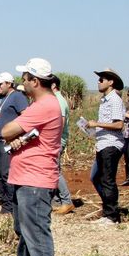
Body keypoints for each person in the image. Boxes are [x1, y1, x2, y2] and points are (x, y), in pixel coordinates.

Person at [0, 57, 63, 256]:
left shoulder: (43, 106)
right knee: (25, 231)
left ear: (35, 81)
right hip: (26, 176)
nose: (22, 83)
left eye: (25, 78)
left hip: (35, 179)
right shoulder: (38, 105)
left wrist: (13, 134)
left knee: (36, 233)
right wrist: (16, 137)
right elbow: (11, 135)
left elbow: (5, 130)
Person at [86, 68, 125, 225]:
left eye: (102, 79)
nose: (99, 81)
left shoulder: (115, 100)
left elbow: (119, 124)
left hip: (111, 144)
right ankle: (109, 210)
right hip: (103, 144)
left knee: (107, 180)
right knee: (97, 177)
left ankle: (112, 216)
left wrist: (97, 124)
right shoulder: (105, 100)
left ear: (111, 82)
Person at [0, 72, 28, 215]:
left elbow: (26, 116)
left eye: (1, 84)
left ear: (9, 84)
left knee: (7, 174)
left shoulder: (17, 97)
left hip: (7, 142)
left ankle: (10, 206)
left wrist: (18, 136)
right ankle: (1, 200)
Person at [49, 76, 74, 214]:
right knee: (52, 170)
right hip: (55, 140)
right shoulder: (57, 99)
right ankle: (57, 201)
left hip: (57, 141)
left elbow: (61, 122)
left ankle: (67, 201)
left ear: (53, 85)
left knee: (55, 171)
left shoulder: (59, 100)